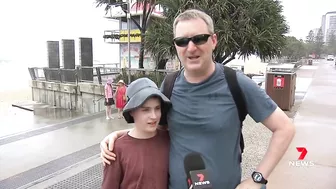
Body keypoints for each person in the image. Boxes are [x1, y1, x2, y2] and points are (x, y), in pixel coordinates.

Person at [100, 9, 295, 189]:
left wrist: (257, 179)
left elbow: (285, 128)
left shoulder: (236, 83)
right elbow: (157, 128)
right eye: (182, 41)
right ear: (176, 45)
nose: (190, 47)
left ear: (214, 40)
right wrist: (122, 137)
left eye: (199, 39)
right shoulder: (169, 86)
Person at [101, 77, 171, 189]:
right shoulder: (116, 150)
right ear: (132, 111)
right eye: (146, 110)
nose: (154, 116)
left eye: (157, 108)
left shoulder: (168, 140)